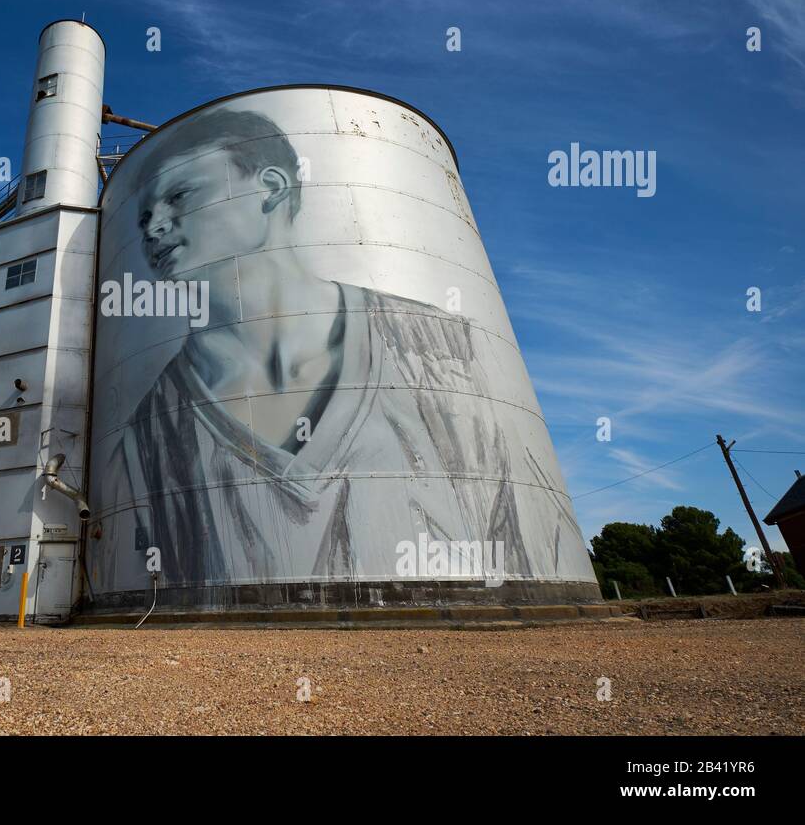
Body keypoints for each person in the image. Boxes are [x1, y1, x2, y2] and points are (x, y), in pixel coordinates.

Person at [99, 107, 570, 590]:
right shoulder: (147, 441)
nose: (153, 226)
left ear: (272, 187)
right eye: (142, 216)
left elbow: (528, 530)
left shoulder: (442, 352)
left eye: (180, 196)